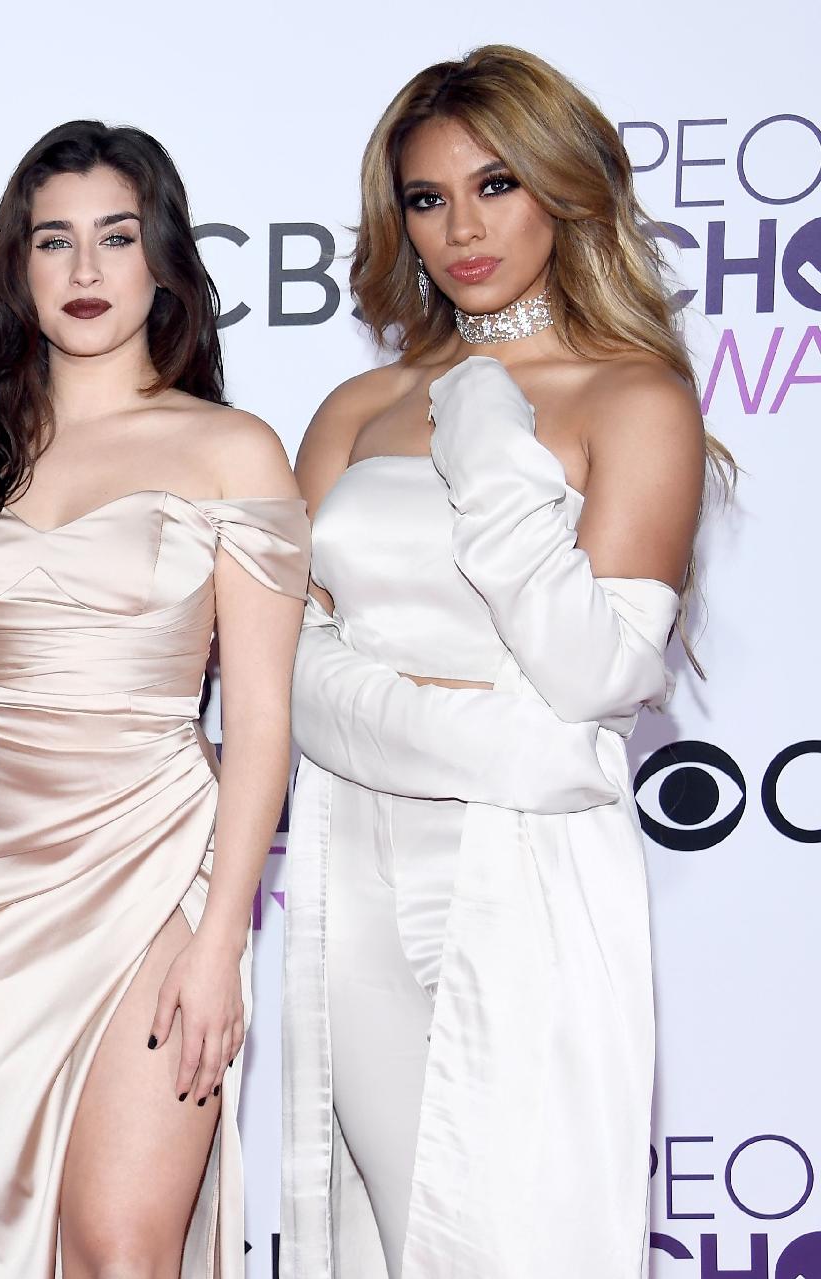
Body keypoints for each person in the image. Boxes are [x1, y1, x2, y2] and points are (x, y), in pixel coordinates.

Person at [280, 45, 733, 1277]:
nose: (461, 228)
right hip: (356, 866)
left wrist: (488, 431)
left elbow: (592, 674)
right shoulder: (356, 409)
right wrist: (490, 738)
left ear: (561, 190)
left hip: (527, 873)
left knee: (515, 1245)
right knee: (389, 1236)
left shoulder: (632, 397)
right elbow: (285, 669)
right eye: (428, 199)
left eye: (495, 186)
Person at [0, 120, 309, 1278]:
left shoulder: (233, 449)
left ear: (163, 258)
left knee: (121, 1249)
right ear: (14, 269)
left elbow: (262, 722)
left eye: (116, 239)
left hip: (150, 886)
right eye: (53, 242)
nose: (84, 273)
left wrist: (221, 938)